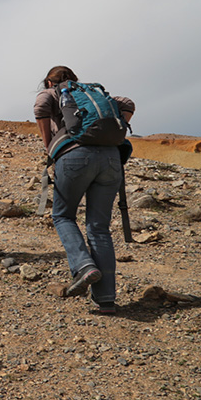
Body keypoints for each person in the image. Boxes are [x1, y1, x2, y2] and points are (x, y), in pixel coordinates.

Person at [35, 66, 134, 315]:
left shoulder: (53, 92)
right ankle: (106, 300)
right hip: (112, 159)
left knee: (63, 215)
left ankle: (83, 266)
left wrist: (50, 145)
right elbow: (128, 103)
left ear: (49, 81)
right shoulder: (94, 92)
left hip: (74, 156)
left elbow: (40, 107)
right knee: (99, 227)